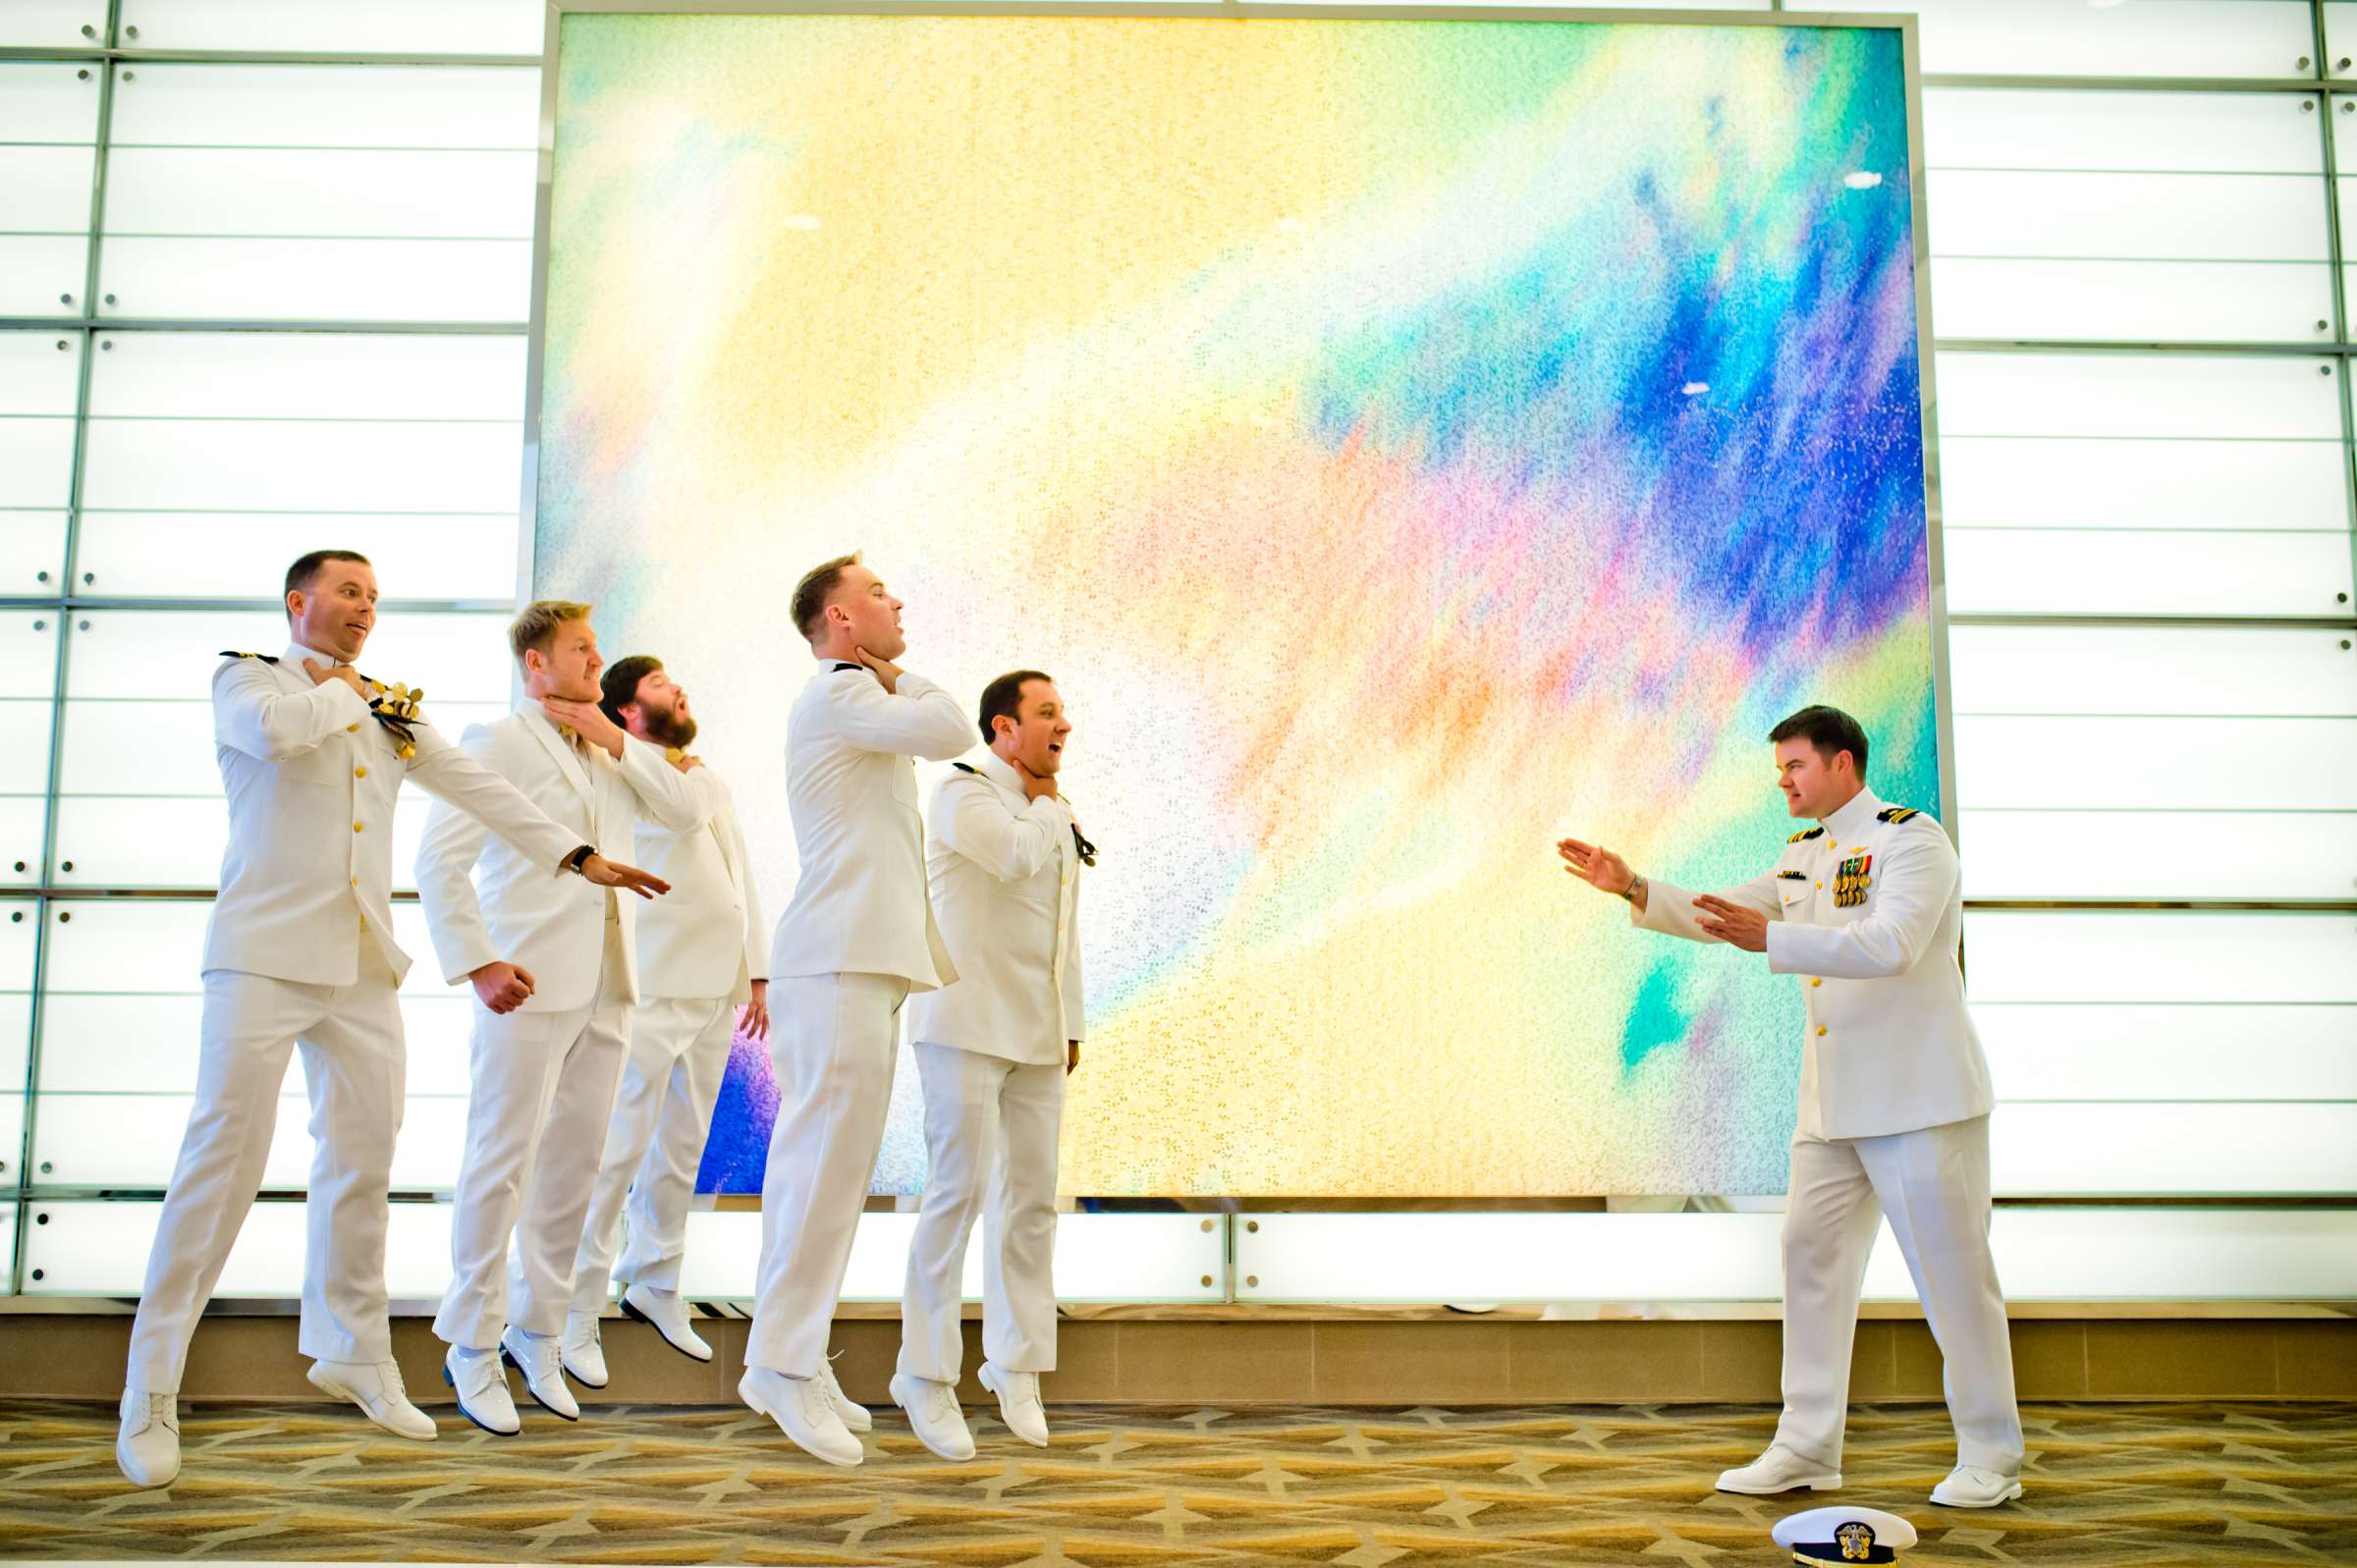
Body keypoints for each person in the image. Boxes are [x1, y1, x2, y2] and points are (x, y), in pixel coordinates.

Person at [116, 553, 663, 1488]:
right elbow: (278, 734)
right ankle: (150, 1387)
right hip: (259, 957)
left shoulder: (390, 707)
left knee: (364, 1161)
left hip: (363, 967)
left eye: (374, 595)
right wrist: (346, 689)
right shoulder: (249, 676)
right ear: (301, 603)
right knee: (223, 1162)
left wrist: (580, 856)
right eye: (349, 592)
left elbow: (479, 789)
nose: (367, 607)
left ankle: (356, 1350)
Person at [1558, 705, 2023, 1509]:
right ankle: (1807, 1444)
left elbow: (1891, 946)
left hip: (1919, 1100)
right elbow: (1727, 909)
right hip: (1831, 1107)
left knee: (1952, 1279)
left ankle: (1991, 1454)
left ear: (1843, 763)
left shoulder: (1912, 839)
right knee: (1808, 1265)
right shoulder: (1804, 851)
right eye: (1779, 769)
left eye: (1795, 766)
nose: (1783, 781)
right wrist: (1632, 885)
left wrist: (1767, 940)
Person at [414, 601, 702, 1434]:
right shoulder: (498, 743)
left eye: (597, 648)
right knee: (501, 1160)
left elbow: (685, 813)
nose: (593, 660)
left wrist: (619, 739)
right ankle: (469, 1341)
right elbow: (441, 862)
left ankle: (536, 1329)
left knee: (575, 1166)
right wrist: (477, 961)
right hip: (527, 980)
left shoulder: (614, 750)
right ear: (537, 664)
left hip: (612, 982)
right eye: (580, 650)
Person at [739, 553, 972, 1466]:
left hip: (855, 963)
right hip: (834, 963)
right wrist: (896, 672)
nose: (899, 600)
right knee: (820, 1174)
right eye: (879, 592)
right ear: (839, 619)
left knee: (825, 1174)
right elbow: (952, 724)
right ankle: (782, 1363)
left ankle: (790, 1354)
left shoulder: (851, 698)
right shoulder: (842, 694)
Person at [894, 670, 1087, 1460]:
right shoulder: (963, 792)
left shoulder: (1053, 806)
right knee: (956, 1198)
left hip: (1039, 1032)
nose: (1064, 725)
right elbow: (1010, 859)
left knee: (1031, 1204)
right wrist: (1046, 804)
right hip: (966, 1022)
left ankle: (1015, 1364)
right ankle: (926, 1375)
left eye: (1063, 711)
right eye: (1048, 712)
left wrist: (1071, 1021)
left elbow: (1060, 926)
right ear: (1004, 727)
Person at [561, 655, 769, 1384]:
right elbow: (681, 807)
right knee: (616, 1149)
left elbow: (739, 874)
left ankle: (654, 1279)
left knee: (682, 1148)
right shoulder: (622, 770)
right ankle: (574, 1306)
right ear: (625, 712)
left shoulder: (692, 771)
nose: (679, 686)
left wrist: (757, 972)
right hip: (649, 987)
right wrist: (676, 769)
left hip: (715, 990)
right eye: (658, 684)